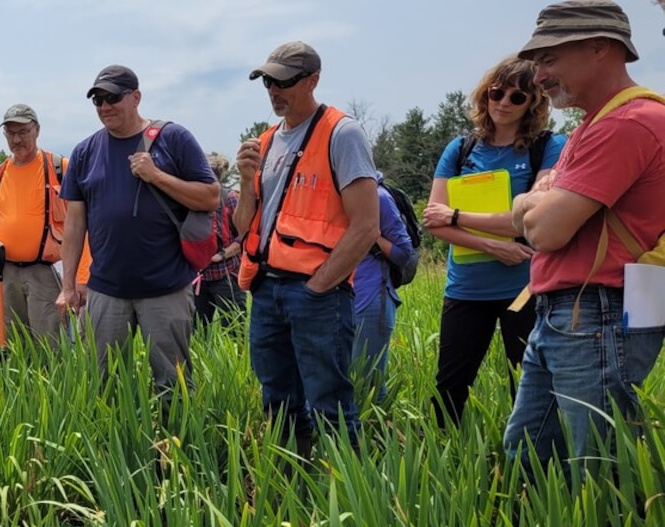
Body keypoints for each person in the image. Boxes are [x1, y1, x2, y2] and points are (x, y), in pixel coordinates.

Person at [506, 0, 665, 470]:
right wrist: (534, 203)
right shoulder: (591, 127)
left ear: (600, 48)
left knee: (597, 472)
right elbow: (528, 210)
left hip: (595, 317)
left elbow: (544, 229)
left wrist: (535, 204)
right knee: (528, 460)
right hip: (571, 315)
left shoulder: (628, 124)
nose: (538, 77)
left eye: (549, 59)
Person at [232, 42, 380, 455]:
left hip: (316, 292)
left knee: (328, 400)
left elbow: (367, 224)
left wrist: (318, 286)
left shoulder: (341, 132)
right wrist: (246, 181)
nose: (273, 90)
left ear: (313, 80)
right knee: (277, 398)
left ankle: (344, 494)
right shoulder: (265, 142)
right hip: (266, 288)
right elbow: (244, 228)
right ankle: (289, 483)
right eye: (268, 81)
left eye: (284, 81)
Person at [57, 65, 220, 426]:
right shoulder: (84, 152)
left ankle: (174, 457)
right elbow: (74, 223)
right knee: (107, 383)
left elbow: (211, 196)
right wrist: (69, 285)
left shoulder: (173, 139)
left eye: (112, 97)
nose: (104, 106)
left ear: (136, 97)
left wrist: (156, 175)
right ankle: (119, 455)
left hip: (165, 287)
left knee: (172, 383)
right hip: (106, 290)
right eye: (98, 99)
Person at [422, 56, 565, 427]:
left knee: (527, 382)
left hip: (524, 289)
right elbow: (432, 223)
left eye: (517, 97)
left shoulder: (547, 147)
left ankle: (530, 467)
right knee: (449, 388)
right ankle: (445, 462)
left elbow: (535, 217)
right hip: (466, 289)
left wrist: (456, 217)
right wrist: (494, 244)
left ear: (534, 103)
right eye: (496, 93)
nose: (503, 102)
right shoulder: (461, 149)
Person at [0, 104, 88, 346]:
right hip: (6, 274)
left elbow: (83, 226)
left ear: (37, 130)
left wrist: (81, 278)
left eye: (23, 131)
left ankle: (54, 385)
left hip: (47, 272)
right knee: (12, 345)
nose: (17, 139)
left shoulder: (60, 168)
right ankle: (14, 385)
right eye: (11, 133)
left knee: (52, 347)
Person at [351, 174, 415, 403]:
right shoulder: (332, 195)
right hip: (338, 298)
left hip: (371, 298)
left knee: (370, 385)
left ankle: (378, 436)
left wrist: (372, 235)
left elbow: (403, 253)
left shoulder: (378, 197)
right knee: (348, 380)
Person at [193, 153, 245, 328]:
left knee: (233, 330)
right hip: (199, 276)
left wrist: (222, 255)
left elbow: (246, 235)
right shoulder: (192, 200)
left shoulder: (230, 198)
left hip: (227, 274)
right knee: (197, 332)